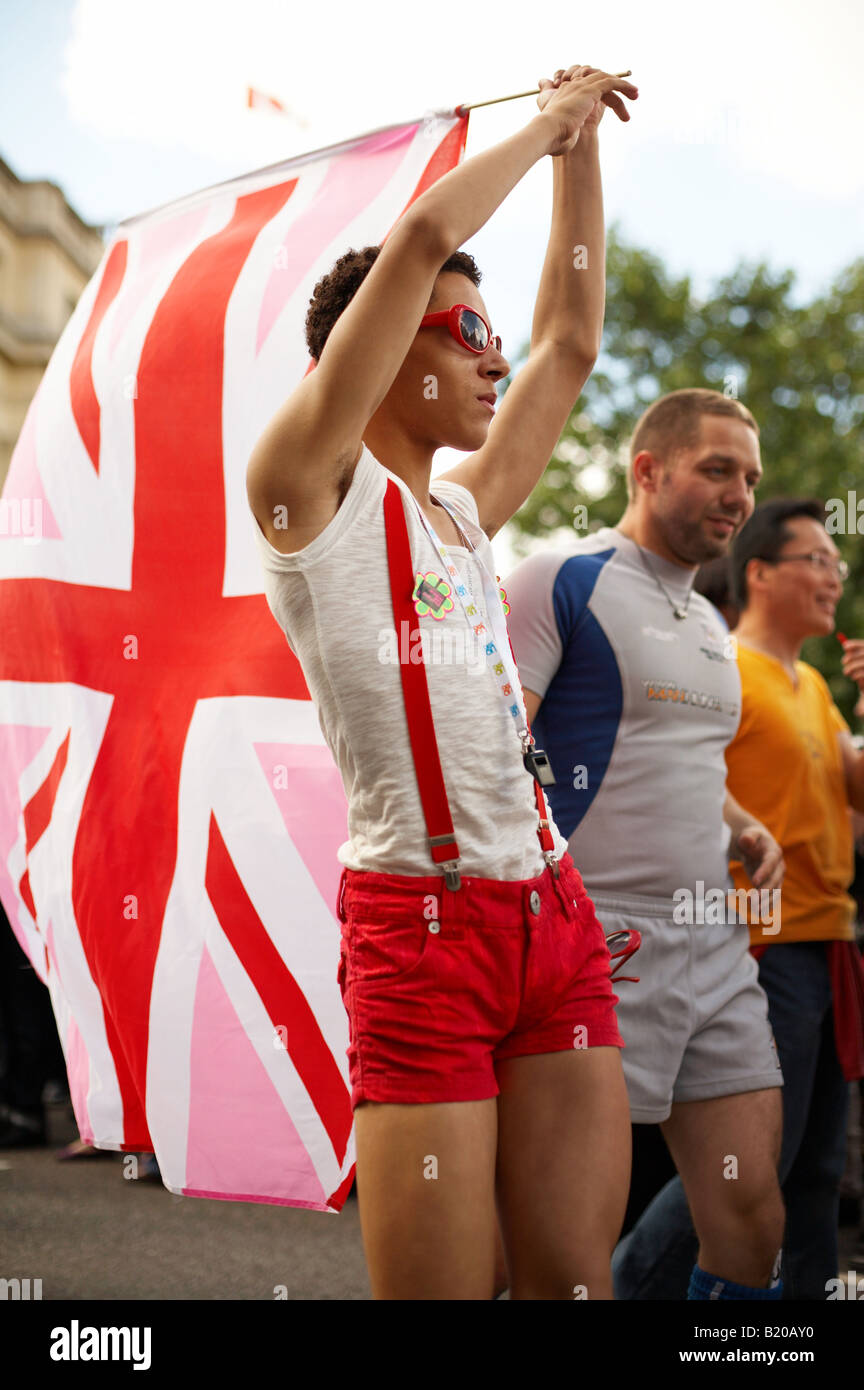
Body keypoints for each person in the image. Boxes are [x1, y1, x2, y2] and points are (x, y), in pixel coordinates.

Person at [246, 64, 639, 1300]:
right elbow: (422, 235)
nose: (493, 360)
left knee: (576, 1286)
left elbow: (573, 344)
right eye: (466, 332)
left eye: (490, 339)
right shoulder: (305, 487)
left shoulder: (461, 515)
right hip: (420, 931)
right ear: (382, 344)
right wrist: (541, 124)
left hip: (551, 919)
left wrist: (585, 152)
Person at [505, 388, 788, 1301]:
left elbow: (686, 766)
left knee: (752, 1219)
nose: (740, 495)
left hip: (716, 941)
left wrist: (742, 827)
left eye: (749, 477)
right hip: (598, 940)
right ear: (647, 469)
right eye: (717, 470)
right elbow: (495, 751)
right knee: (548, 1243)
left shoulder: (710, 623)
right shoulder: (559, 578)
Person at [616, 499, 864, 1299]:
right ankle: (625, 1288)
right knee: (745, 1173)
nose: (837, 576)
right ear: (759, 572)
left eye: (839, 561)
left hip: (826, 948)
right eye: (819, 560)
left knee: (816, 1172)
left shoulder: (814, 687)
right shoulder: (723, 670)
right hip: (759, 947)